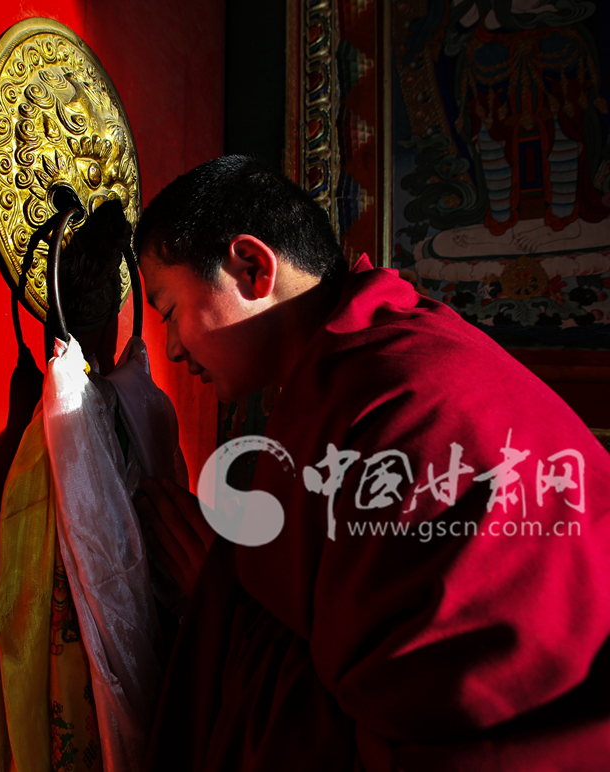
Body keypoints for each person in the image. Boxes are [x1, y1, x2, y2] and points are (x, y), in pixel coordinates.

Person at [131, 155, 610, 770]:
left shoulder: (389, 402)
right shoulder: (406, 347)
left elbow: (428, 710)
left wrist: (221, 606)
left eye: (169, 311)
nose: (171, 347)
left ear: (251, 268)